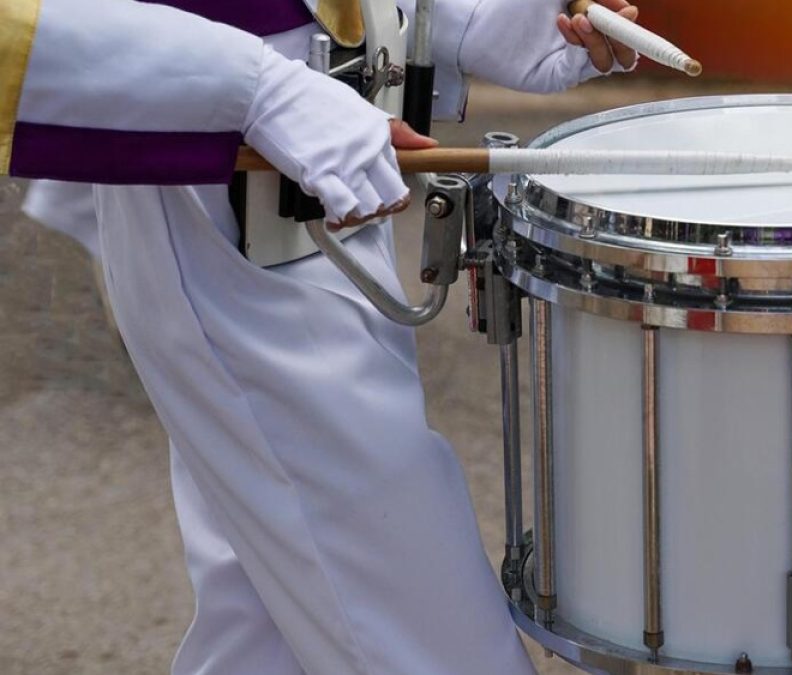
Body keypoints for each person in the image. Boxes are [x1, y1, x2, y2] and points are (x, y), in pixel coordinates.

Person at [1, 0, 639, 672]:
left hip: (321, 138)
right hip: (222, 163)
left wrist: (467, 18)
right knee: (427, 638)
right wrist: (255, 90)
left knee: (266, 628)